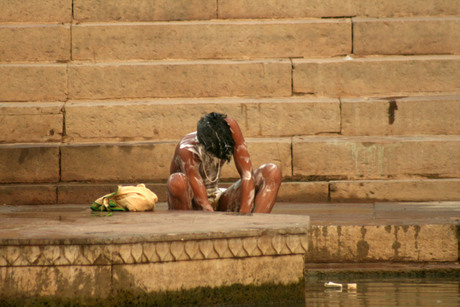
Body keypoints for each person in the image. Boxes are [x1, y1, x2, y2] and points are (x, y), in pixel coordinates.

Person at [167, 112, 282, 213]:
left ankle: (256, 226)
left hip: (217, 196)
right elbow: (202, 202)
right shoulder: (187, 151)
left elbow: (247, 174)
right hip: (193, 205)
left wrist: (245, 216)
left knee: (272, 172)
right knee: (177, 181)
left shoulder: (230, 128)